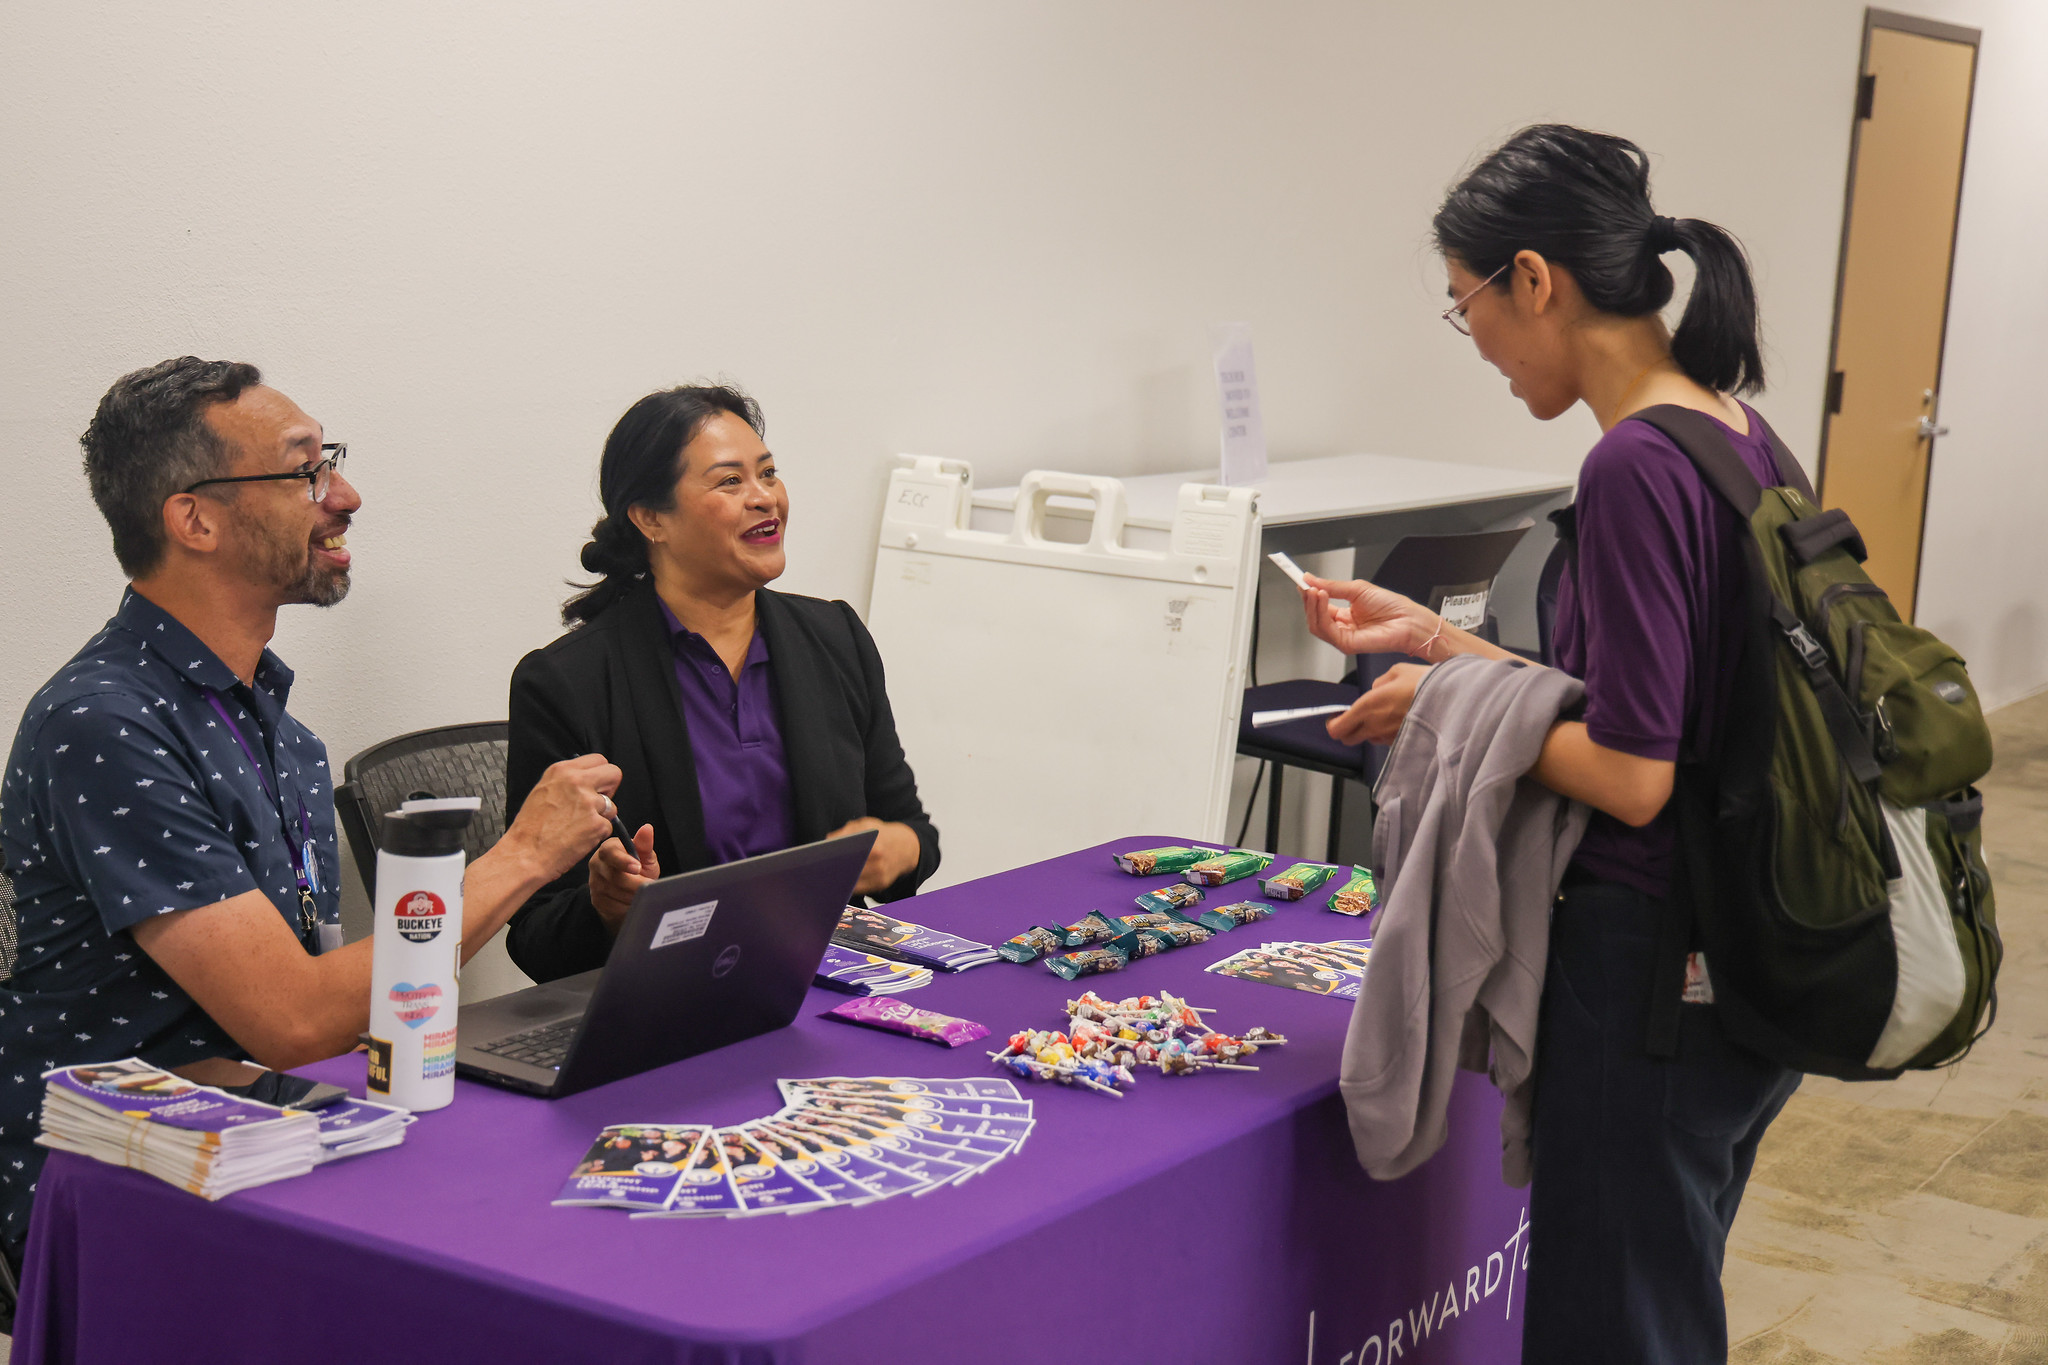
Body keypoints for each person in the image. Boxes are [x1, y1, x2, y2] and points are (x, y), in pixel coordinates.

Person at [1297, 126, 1803, 1362]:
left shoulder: (1633, 464)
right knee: (1662, 1301)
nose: (1471, 338)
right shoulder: (1728, 432)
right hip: (1734, 964)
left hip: (1649, 971)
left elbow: (1632, 776)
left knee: (1610, 1325)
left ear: (1533, 279)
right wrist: (1438, 646)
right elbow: (1634, 702)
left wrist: (1437, 710)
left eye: (1464, 302)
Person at [0, 358, 623, 1279]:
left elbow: (335, 1009)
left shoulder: (283, 732)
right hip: (119, 1192)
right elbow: (290, 1018)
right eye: (306, 471)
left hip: (278, 1133)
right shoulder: (106, 723)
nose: (346, 495)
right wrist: (525, 853)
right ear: (195, 518)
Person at [503, 385, 940, 982]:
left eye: (768, 473)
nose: (765, 499)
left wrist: (898, 850)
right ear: (650, 518)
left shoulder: (835, 637)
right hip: (673, 996)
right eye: (730, 482)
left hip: (830, 979)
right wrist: (605, 908)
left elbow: (913, 832)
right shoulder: (566, 682)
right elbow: (535, 935)